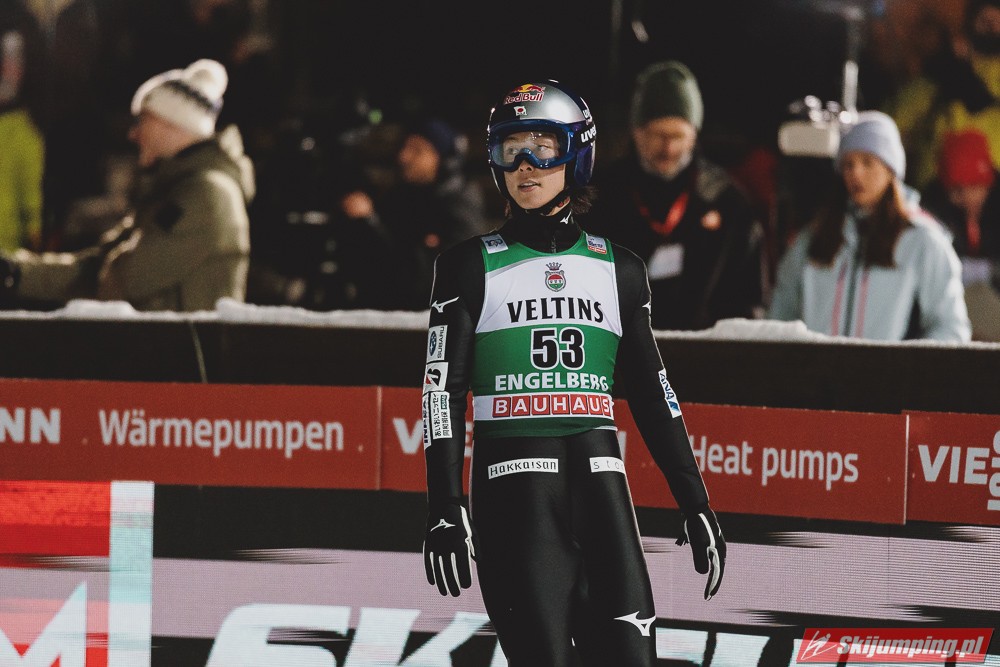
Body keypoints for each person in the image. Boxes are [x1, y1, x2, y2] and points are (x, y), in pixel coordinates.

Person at [420, 80, 725, 666]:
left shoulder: (620, 269)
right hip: (516, 498)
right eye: (510, 149)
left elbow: (654, 393)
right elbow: (441, 391)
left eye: (543, 148)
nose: (525, 165)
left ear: (577, 154)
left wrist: (695, 500)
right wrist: (444, 504)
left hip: (602, 491)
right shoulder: (466, 267)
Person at [5, 58, 253, 312]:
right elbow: (97, 267)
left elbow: (121, 279)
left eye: (143, 120)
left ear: (172, 123)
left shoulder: (206, 193)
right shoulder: (173, 190)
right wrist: (15, 272)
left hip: (178, 340)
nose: (133, 134)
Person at [585, 60, 766, 331]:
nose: (668, 148)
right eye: (659, 135)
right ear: (637, 132)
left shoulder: (727, 202)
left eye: (678, 136)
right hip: (620, 346)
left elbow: (749, 301)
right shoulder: (601, 196)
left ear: (694, 135)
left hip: (704, 349)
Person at [769, 110, 971, 342]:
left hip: (884, 367)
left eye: (868, 162)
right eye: (848, 164)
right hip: (816, 366)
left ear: (890, 169)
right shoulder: (814, 237)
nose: (856, 173)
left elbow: (950, 328)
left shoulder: (922, 240)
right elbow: (778, 319)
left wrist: (906, 362)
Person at [339, 117, 494, 309]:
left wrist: (371, 223)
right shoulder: (401, 196)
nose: (404, 157)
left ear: (444, 160)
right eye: (405, 148)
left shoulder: (458, 203)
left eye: (418, 150)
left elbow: (424, 280)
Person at [884, 0, 1000, 191]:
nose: (992, 28)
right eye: (985, 21)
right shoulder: (940, 71)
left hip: (989, 187)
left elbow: (979, 102)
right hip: (936, 185)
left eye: (997, 22)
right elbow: (892, 119)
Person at [920, 128, 1000, 340]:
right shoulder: (934, 207)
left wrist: (992, 270)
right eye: (957, 190)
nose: (967, 197)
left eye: (975, 186)